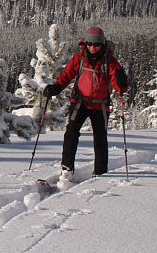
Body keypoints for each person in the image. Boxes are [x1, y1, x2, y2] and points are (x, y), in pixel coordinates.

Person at [43, 26, 128, 185]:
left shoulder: (110, 62)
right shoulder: (79, 58)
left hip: (100, 105)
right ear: (85, 43)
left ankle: (100, 172)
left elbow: (120, 88)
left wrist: (122, 81)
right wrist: (55, 88)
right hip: (80, 102)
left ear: (102, 45)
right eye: (90, 44)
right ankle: (67, 169)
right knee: (71, 133)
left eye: (96, 45)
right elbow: (66, 76)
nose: (92, 47)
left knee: (100, 138)